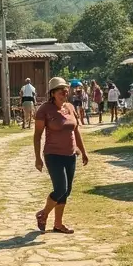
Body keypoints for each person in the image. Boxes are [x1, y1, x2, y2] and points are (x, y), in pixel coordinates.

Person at [34, 77, 89, 234]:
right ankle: (43, 214)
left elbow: (76, 131)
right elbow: (37, 135)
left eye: (66, 90)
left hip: (70, 154)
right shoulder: (44, 110)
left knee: (67, 190)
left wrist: (83, 151)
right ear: (52, 93)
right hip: (53, 154)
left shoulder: (70, 107)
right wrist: (37, 158)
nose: (64, 93)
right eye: (60, 91)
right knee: (60, 188)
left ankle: (58, 224)